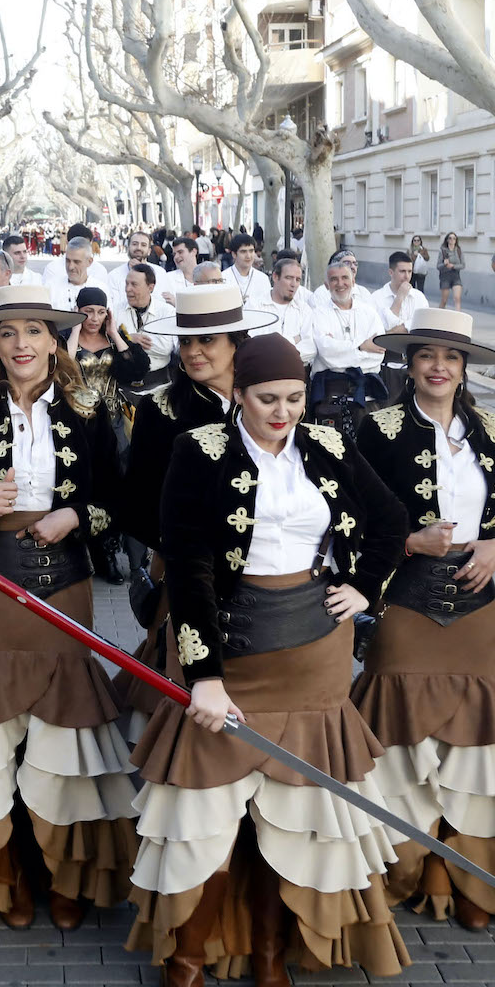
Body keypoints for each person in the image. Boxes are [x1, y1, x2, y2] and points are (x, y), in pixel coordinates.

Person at [130, 334, 411, 987]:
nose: (282, 412)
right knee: (207, 825)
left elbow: (391, 520)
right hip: (230, 648)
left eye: (292, 398)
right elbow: (188, 565)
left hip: (314, 654)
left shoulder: (328, 442)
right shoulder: (199, 450)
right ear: (240, 396)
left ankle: (267, 953)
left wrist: (364, 586)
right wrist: (204, 677)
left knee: (289, 817)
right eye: (266, 400)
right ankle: (186, 964)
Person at [0, 285, 136, 933]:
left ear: (56, 340)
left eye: (33, 332)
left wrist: (76, 513)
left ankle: (65, 870)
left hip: (66, 583)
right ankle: (11, 866)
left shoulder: (87, 411)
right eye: (7, 333)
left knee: (62, 734)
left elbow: (119, 502)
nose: (21, 344)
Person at [354, 310, 495, 929]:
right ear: (409, 363)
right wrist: (407, 541)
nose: (437, 367)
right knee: (402, 742)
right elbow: (351, 520)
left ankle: (459, 871)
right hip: (404, 601)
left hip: (475, 607)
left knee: (468, 746)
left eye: (450, 357)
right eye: (426, 354)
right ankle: (404, 866)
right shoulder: (375, 428)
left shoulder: (493, 428)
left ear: (464, 367)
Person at [119, 286, 277, 739]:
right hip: (187, 570)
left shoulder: (270, 399)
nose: (193, 352)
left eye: (206, 340)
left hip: (269, 572)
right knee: (183, 687)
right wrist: (186, 546)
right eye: (186, 341)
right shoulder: (160, 409)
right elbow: (137, 503)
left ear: (237, 342)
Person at [311, 258, 390, 407]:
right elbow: (326, 351)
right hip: (331, 395)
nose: (340, 284)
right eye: (334, 279)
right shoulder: (318, 314)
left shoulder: (369, 313)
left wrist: (341, 350)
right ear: (327, 285)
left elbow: (378, 353)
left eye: (345, 278)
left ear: (353, 281)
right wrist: (361, 346)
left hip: (367, 395)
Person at [67, 288, 149, 425]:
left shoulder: (112, 340)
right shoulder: (66, 338)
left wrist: (114, 334)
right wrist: (75, 330)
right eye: (88, 311)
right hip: (77, 416)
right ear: (78, 311)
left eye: (101, 313)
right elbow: (64, 365)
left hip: (113, 416)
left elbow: (137, 369)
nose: (95, 318)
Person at [118, 262, 173, 391]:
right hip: (124, 387)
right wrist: (129, 338)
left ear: (150, 287)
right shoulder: (116, 310)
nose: (127, 289)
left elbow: (165, 348)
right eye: (127, 283)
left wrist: (125, 341)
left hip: (159, 385)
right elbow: (111, 346)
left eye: (134, 284)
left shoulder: (166, 312)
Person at [262, 257, 315, 365]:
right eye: (289, 278)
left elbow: (311, 348)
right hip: (263, 371)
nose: (294, 284)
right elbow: (254, 344)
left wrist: (279, 353)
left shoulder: (304, 310)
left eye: (298, 279)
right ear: (275, 277)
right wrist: (293, 339)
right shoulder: (256, 306)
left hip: (295, 372)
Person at [43, 237, 106, 311]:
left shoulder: (101, 288)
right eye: (68, 261)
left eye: (76, 262)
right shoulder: (50, 288)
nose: (70, 267)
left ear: (89, 262)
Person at [376, 250, 429, 333]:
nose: (407, 276)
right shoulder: (377, 298)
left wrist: (402, 328)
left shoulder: (419, 297)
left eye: (410, 271)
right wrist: (399, 298)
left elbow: (424, 324)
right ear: (391, 272)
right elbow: (385, 329)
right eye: (402, 271)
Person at [221, 232, 272, 307]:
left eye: (251, 251)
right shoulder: (223, 278)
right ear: (234, 254)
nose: (248, 256)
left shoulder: (263, 279)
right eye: (243, 251)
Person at [437, 233, 464, 312]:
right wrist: (444, 264)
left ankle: (457, 318)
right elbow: (438, 266)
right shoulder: (442, 251)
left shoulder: (459, 250)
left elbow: (463, 265)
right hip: (445, 276)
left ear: (456, 240)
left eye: (454, 238)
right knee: (444, 300)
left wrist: (453, 266)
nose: (452, 240)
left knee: (457, 298)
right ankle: (438, 317)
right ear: (447, 240)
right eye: (450, 238)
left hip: (456, 276)